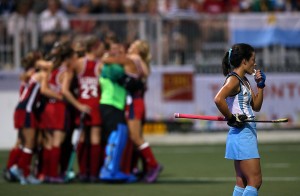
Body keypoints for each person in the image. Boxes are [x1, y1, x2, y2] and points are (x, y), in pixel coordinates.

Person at [214, 43, 266, 196]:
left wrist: (260, 86)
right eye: (252, 59)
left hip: (243, 133)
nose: (254, 63)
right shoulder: (234, 80)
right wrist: (231, 118)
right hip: (242, 133)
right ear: (244, 61)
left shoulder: (245, 80)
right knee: (255, 181)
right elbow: (218, 99)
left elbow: (256, 106)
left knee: (242, 183)